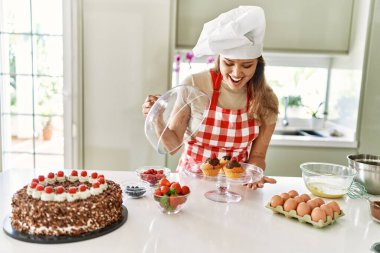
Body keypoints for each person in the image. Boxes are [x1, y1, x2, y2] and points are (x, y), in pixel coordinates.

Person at [142, 6, 279, 190]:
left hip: (235, 189)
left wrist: (255, 174)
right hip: (190, 186)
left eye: (247, 65)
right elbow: (173, 146)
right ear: (219, 59)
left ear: (257, 64)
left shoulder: (267, 99)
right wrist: (156, 117)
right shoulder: (194, 84)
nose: (237, 73)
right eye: (228, 63)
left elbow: (258, 156)